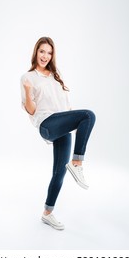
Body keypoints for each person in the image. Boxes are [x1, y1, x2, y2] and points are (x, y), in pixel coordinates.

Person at [20, 37, 96, 230]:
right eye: (42, 51)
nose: (45, 56)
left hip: (62, 122)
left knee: (60, 171)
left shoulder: (55, 74)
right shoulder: (28, 78)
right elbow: (30, 110)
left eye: (49, 52)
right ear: (36, 52)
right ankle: (77, 163)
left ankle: (47, 213)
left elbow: (64, 104)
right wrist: (28, 92)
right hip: (47, 124)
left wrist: (72, 121)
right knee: (88, 115)